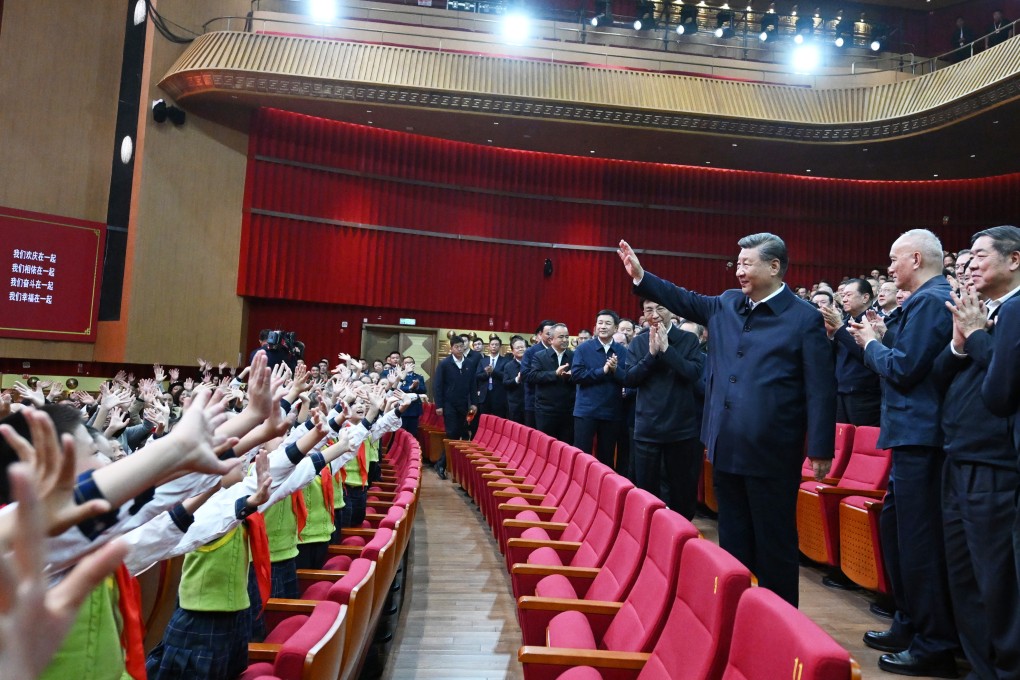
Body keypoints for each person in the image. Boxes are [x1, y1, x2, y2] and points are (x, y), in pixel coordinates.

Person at [618, 234, 835, 607]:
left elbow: (820, 388)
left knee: (774, 542)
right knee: (732, 542)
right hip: (725, 444)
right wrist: (642, 276)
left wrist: (819, 448)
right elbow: (682, 298)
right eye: (737, 263)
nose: (739, 270)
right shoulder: (726, 304)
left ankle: (780, 620)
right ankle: (735, 615)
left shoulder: (803, 319)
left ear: (774, 267)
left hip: (771, 451)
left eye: (747, 263)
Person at [849, 229, 958, 678]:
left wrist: (872, 344)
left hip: (922, 436)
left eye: (894, 261)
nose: (889, 270)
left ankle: (933, 642)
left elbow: (905, 368)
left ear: (915, 258)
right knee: (897, 534)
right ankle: (910, 621)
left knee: (918, 543)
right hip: (908, 433)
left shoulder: (933, 301)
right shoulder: (920, 301)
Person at [936, 225, 1020, 680]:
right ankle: (981, 667)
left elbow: (1004, 388)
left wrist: (979, 336)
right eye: (966, 257)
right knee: (964, 576)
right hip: (958, 453)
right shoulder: (977, 311)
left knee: (997, 579)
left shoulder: (1016, 312)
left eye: (980, 255)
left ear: (1014, 260)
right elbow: (937, 377)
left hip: (996, 462)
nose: (969, 264)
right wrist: (959, 340)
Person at [624, 300, 704, 518]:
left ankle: (683, 535)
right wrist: (651, 356)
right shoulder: (639, 342)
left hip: (681, 428)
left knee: (682, 489)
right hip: (647, 427)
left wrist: (667, 350)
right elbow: (629, 379)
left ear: (671, 310)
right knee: (647, 489)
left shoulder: (688, 339)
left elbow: (693, 373)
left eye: (660, 308)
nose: (655, 314)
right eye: (649, 309)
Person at [571, 310, 629, 470]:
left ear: (616, 328)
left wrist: (615, 370)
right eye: (600, 323)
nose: (603, 327)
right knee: (581, 456)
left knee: (606, 458)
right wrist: (602, 371)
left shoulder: (623, 351)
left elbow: (628, 378)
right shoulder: (583, 348)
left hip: (611, 412)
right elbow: (576, 375)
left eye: (608, 323)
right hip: (586, 411)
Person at [822, 278, 881, 427]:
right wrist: (830, 336)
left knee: (863, 443)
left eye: (849, 295)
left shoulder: (875, 321)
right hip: (841, 391)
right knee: (841, 444)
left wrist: (839, 328)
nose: (845, 299)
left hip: (865, 395)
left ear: (865, 297)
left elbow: (866, 354)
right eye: (843, 296)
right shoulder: (844, 321)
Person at [432, 335, 477, 480]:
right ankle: (442, 464)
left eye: (461, 346)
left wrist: (474, 403)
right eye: (456, 347)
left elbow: (473, 385)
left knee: (463, 434)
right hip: (448, 405)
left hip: (464, 405)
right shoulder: (445, 364)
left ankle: (445, 463)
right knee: (451, 433)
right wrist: (439, 405)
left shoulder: (469, 363)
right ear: (451, 348)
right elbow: (437, 386)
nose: (459, 349)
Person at [525, 323, 575, 444]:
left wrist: (572, 376)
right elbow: (532, 376)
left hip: (567, 410)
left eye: (567, 337)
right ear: (551, 339)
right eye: (561, 337)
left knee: (565, 446)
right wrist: (554, 374)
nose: (565, 340)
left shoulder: (573, 356)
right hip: (545, 410)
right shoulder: (540, 356)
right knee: (546, 446)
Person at [521, 321, 556, 428]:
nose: (551, 336)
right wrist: (553, 375)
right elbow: (525, 375)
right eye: (548, 333)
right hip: (534, 403)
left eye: (553, 334)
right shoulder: (531, 352)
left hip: (555, 404)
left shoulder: (561, 351)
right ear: (540, 334)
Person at [474, 335, 510, 419]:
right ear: (489, 346)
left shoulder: (505, 360)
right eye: (492, 344)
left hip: (499, 396)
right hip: (484, 396)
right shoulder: (483, 361)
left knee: (499, 420)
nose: (494, 346)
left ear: (500, 347)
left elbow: (506, 376)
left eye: (496, 345)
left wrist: (493, 372)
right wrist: (487, 373)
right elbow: (477, 376)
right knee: (483, 420)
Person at [398, 356, 428, 436]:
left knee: (413, 433)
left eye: (410, 363)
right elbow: (399, 389)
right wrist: (410, 388)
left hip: (414, 408)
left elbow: (423, 390)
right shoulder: (400, 376)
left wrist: (416, 386)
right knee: (401, 433)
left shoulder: (419, 377)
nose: (408, 365)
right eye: (406, 363)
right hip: (403, 408)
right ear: (403, 365)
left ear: (414, 364)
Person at [502, 335, 527, 423]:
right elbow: (505, 383)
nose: (521, 349)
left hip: (530, 405)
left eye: (522, 347)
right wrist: (517, 379)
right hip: (515, 405)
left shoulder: (532, 363)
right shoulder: (508, 366)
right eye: (517, 348)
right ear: (512, 351)